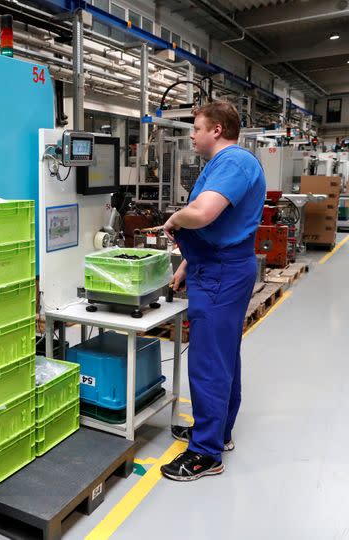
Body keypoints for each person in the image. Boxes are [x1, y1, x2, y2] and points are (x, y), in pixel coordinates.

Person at [160, 101, 266, 482]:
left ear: (217, 130)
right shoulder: (227, 164)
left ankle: (206, 454)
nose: (191, 134)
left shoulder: (235, 162)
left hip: (221, 274)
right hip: (214, 267)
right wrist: (189, 261)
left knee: (207, 362)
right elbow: (219, 225)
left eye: (196, 127)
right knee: (223, 357)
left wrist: (174, 218)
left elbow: (203, 214)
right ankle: (217, 433)